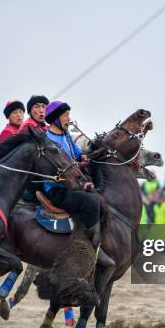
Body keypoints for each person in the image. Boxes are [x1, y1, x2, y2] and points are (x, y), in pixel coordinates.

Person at [43, 101, 108, 259]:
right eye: (65, 115)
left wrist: (89, 156)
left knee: (101, 197)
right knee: (91, 202)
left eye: (68, 114)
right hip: (58, 189)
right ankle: (89, 249)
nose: (69, 118)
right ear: (55, 118)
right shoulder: (48, 140)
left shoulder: (65, 136)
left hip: (74, 184)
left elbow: (78, 154)